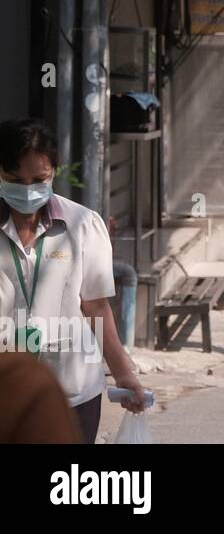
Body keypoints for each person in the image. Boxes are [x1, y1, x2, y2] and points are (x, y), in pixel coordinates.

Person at [0, 119, 148, 443]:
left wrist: (124, 373)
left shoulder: (82, 225)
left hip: (73, 394)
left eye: (38, 180)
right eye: (16, 180)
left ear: (54, 171)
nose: (27, 191)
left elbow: (96, 306)